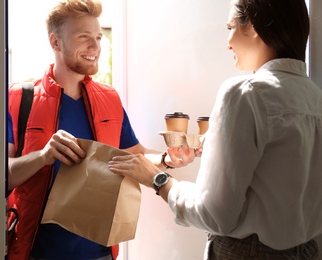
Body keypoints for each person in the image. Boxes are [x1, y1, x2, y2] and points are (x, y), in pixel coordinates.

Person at [108, 0, 322, 259]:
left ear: (253, 26)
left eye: (230, 26)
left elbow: (214, 214)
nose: (228, 42)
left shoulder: (245, 94)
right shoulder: (314, 97)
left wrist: (157, 179)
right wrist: (220, 144)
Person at [6, 0, 194, 260]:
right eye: (84, 38)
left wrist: (166, 159)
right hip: (35, 253)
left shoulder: (109, 98)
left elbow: (134, 153)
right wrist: (43, 156)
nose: (96, 47)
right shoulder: (19, 98)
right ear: (55, 42)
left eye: (97, 37)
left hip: (100, 254)